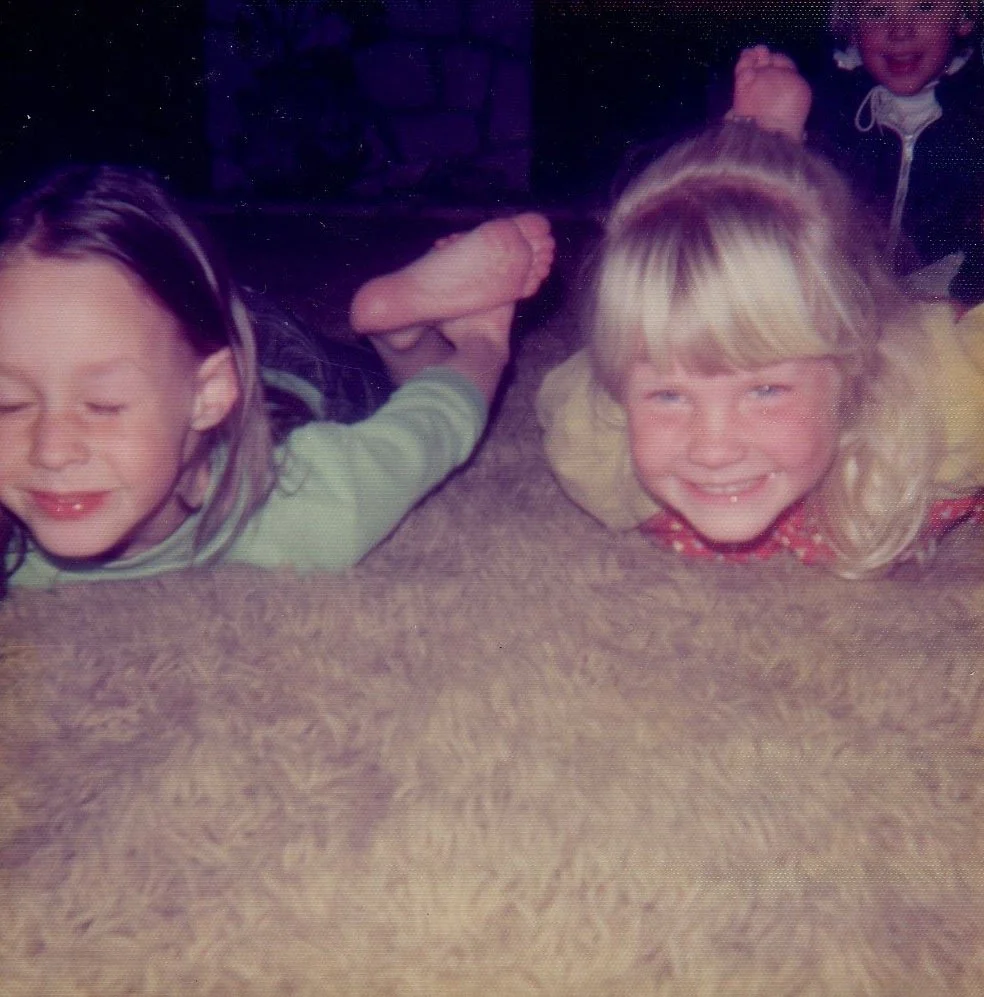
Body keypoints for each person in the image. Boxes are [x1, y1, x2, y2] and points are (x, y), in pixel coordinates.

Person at [0, 164, 554, 593]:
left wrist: (483, 343)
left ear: (208, 395)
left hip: (284, 370)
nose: (51, 452)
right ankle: (405, 331)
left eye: (102, 405)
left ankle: (399, 334)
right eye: (8, 404)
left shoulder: (304, 507)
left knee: (383, 395)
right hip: (189, 330)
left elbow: (426, 431)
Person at [536, 51, 984, 578]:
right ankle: (758, 157)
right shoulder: (594, 450)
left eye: (765, 390)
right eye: (668, 395)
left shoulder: (950, 406)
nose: (714, 450)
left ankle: (764, 147)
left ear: (853, 369)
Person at [805, 0, 984, 302]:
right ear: (851, 28)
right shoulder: (825, 106)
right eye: (878, 11)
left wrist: (968, 292)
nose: (900, 31)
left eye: (925, 7)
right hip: (836, 286)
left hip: (946, 289)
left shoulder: (975, 113)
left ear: (964, 16)